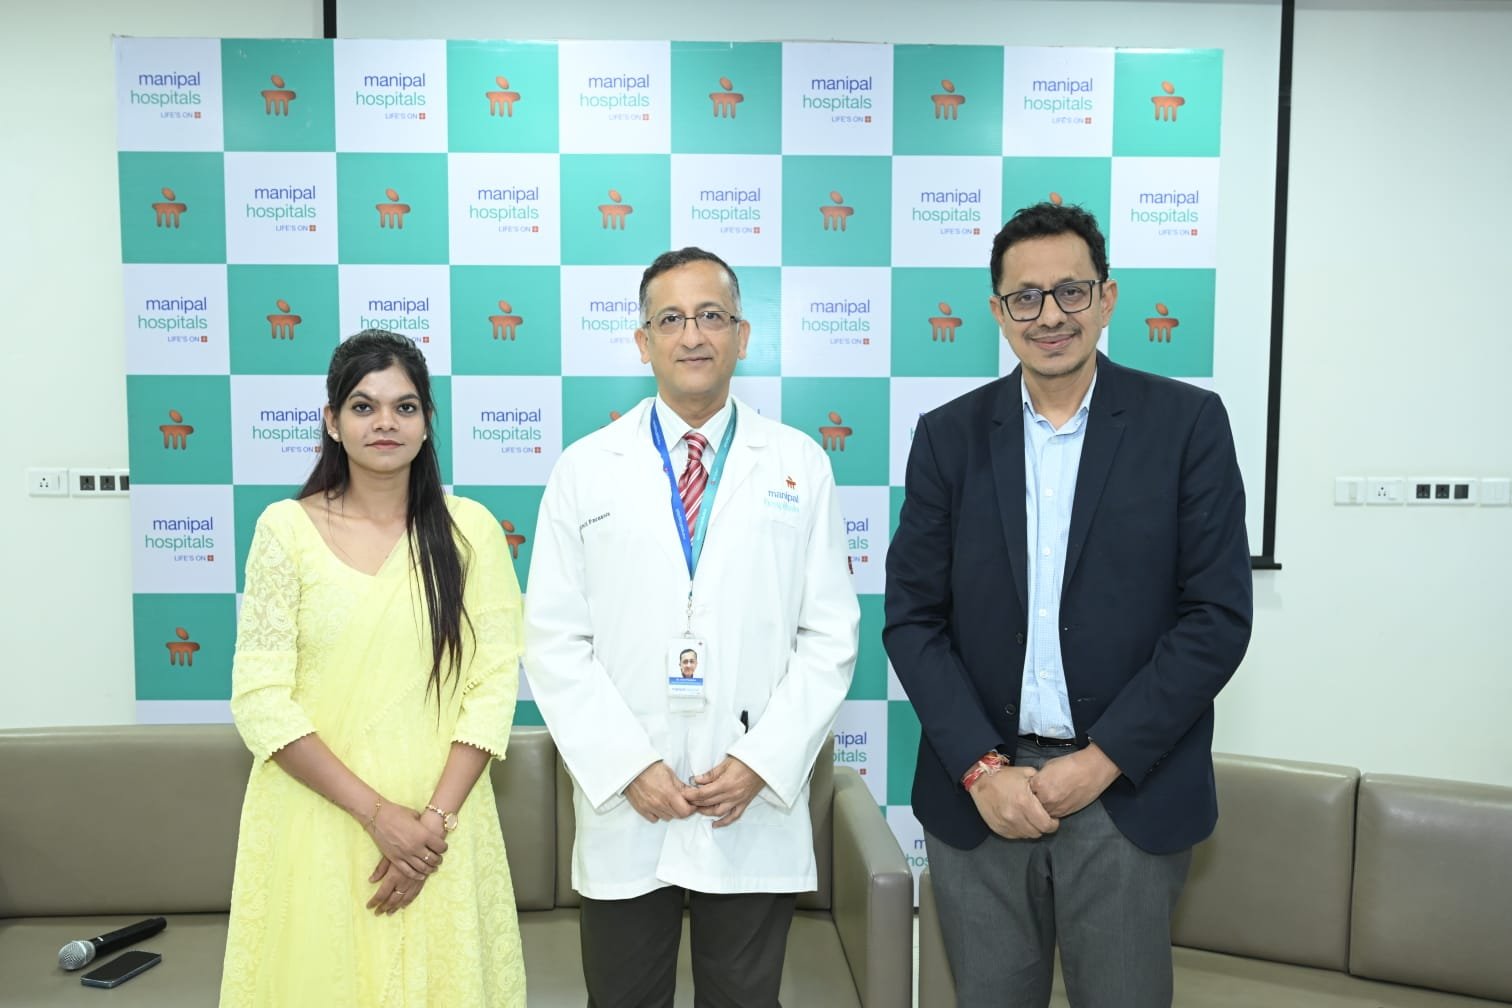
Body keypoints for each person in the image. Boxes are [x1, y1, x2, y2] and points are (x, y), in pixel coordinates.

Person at [883, 202, 1252, 1008]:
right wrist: (983, 769)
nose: (1050, 315)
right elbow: (912, 618)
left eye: (1071, 292)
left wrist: (1103, 758)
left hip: (1128, 793)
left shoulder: (1186, 424)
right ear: (998, 312)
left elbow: (1216, 616)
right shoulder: (948, 436)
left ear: (1107, 298)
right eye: (1026, 297)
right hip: (981, 796)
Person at [525, 247, 859, 1007]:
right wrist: (627, 767)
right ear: (643, 342)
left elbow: (830, 637)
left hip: (749, 801)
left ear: (743, 334)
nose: (693, 335)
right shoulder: (586, 468)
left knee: (743, 998)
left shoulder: (799, 464)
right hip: (626, 800)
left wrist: (761, 763)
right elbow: (553, 639)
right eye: (671, 319)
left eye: (712, 316)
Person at [220, 329, 526, 1007]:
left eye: (404, 406)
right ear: (332, 421)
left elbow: (493, 685)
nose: (385, 422)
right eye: (364, 406)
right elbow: (261, 698)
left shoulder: (470, 530)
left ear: (426, 421)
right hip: (321, 818)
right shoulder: (285, 529)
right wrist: (379, 816)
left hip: (441, 826)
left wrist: (431, 826)